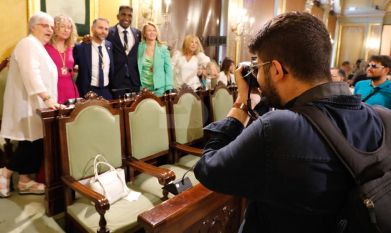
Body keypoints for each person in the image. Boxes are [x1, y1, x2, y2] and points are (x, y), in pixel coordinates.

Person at [194, 12, 383, 233]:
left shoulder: (278, 128)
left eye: (259, 67)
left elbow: (208, 170)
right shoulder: (383, 118)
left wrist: (242, 104)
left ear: (276, 69)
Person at [0, 11, 62, 198]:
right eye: (44, 25)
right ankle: (3, 173)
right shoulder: (28, 43)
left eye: (52, 26)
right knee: (32, 142)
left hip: (37, 103)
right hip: (27, 103)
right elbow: (31, 74)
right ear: (32, 27)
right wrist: (47, 98)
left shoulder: (38, 46)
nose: (50, 29)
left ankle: (24, 181)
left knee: (36, 141)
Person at [73, 18, 114, 100]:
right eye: (100, 28)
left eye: (106, 29)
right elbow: (70, 66)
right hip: (87, 91)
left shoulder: (109, 45)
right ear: (92, 29)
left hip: (106, 90)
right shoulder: (81, 47)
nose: (103, 31)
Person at [45, 15, 79, 104]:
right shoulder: (45, 46)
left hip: (70, 87)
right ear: (54, 28)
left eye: (69, 27)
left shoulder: (70, 47)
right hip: (53, 87)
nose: (66, 30)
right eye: (62, 26)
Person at [137, 21, 173, 96]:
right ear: (144, 34)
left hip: (159, 88)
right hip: (143, 89)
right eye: (149, 30)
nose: (152, 32)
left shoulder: (163, 48)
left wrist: (169, 87)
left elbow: (168, 69)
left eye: (154, 30)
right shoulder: (139, 47)